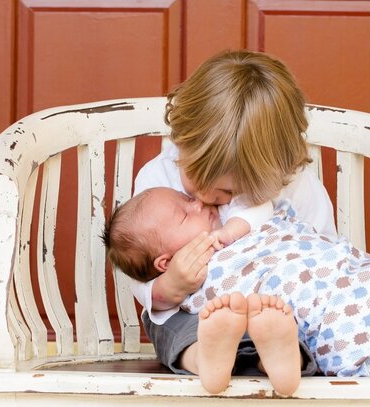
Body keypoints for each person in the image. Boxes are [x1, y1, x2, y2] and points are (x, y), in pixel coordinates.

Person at [124, 49, 336, 394]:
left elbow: (325, 253)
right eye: (194, 178)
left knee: (298, 328)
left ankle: (280, 358)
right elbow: (139, 261)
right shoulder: (158, 177)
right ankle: (205, 357)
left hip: (278, 310)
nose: (206, 197)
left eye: (226, 191)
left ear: (273, 172)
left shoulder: (298, 187)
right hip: (201, 316)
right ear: (181, 140)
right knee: (167, 325)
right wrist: (167, 288)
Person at [104, 186, 370, 379]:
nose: (198, 202)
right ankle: (260, 355)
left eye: (187, 198)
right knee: (219, 316)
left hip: (330, 283)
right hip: (274, 310)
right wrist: (172, 285)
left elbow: (280, 224)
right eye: (185, 213)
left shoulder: (236, 212)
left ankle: (276, 355)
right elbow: (151, 294)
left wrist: (232, 231)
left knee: (274, 311)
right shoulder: (157, 188)